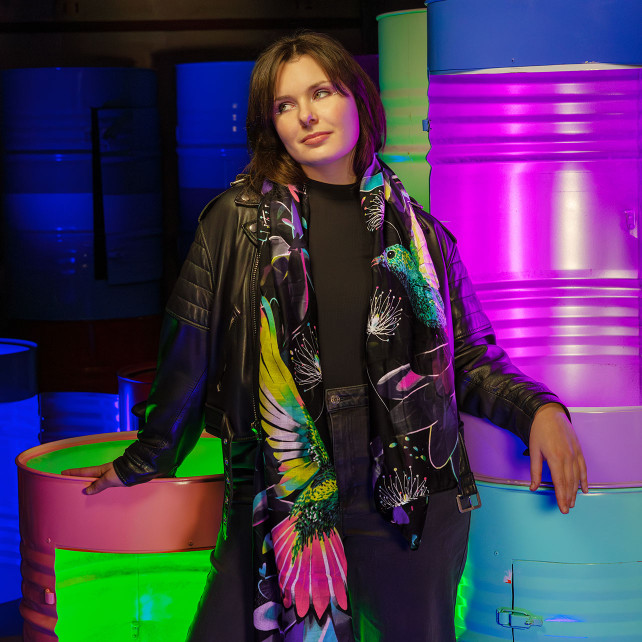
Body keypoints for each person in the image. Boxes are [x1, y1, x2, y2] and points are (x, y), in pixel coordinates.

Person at [64, 31, 588, 642]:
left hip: (409, 479)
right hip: (278, 478)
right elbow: (188, 358)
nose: (307, 115)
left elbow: (468, 356)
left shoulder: (421, 234)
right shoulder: (234, 223)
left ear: (358, 99)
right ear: (272, 126)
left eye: (321, 92)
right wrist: (143, 459)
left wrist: (538, 409)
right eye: (285, 105)